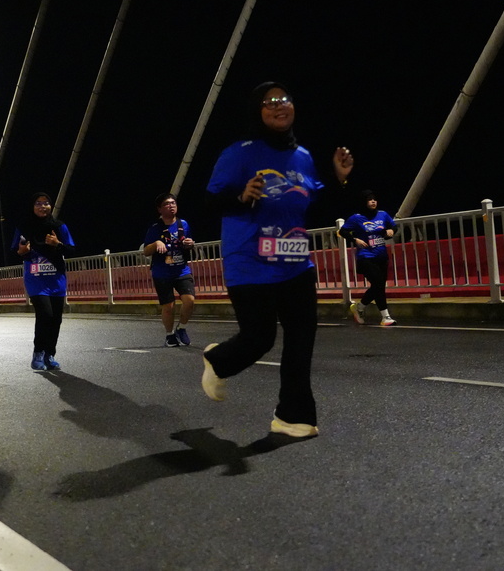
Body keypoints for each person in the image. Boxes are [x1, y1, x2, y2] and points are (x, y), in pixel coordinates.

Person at [202, 81, 354, 439]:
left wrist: (339, 179)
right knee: (260, 338)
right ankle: (218, 360)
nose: (278, 106)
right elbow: (209, 202)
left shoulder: (302, 156)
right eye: (269, 102)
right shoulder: (239, 153)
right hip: (250, 262)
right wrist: (241, 196)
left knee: (301, 341)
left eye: (284, 99)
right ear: (258, 111)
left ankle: (292, 416)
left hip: (296, 263)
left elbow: (315, 205)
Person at [12, 191, 76, 370]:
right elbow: (13, 251)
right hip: (36, 280)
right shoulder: (24, 227)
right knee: (45, 315)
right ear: (32, 207)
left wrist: (57, 244)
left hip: (56, 279)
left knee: (56, 319)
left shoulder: (59, 227)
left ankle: (50, 354)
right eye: (38, 203)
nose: (42, 206)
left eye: (46, 203)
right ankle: (38, 353)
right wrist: (21, 252)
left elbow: (71, 250)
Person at [143, 193, 196, 347]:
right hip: (162, 272)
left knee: (190, 300)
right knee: (169, 306)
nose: (171, 206)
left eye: (173, 203)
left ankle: (181, 328)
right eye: (166, 204)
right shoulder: (155, 228)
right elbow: (146, 251)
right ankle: (169, 335)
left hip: (181, 270)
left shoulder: (183, 224)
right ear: (159, 209)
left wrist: (190, 244)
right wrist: (156, 244)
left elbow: (188, 243)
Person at [339, 189, 398, 326]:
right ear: (364, 202)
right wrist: (355, 240)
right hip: (366, 256)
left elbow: (394, 227)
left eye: (374, 199)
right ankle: (385, 317)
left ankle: (359, 307)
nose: (373, 201)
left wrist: (391, 231)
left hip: (381, 255)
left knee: (379, 285)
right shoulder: (356, 218)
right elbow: (342, 231)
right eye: (369, 199)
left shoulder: (383, 215)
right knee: (378, 283)